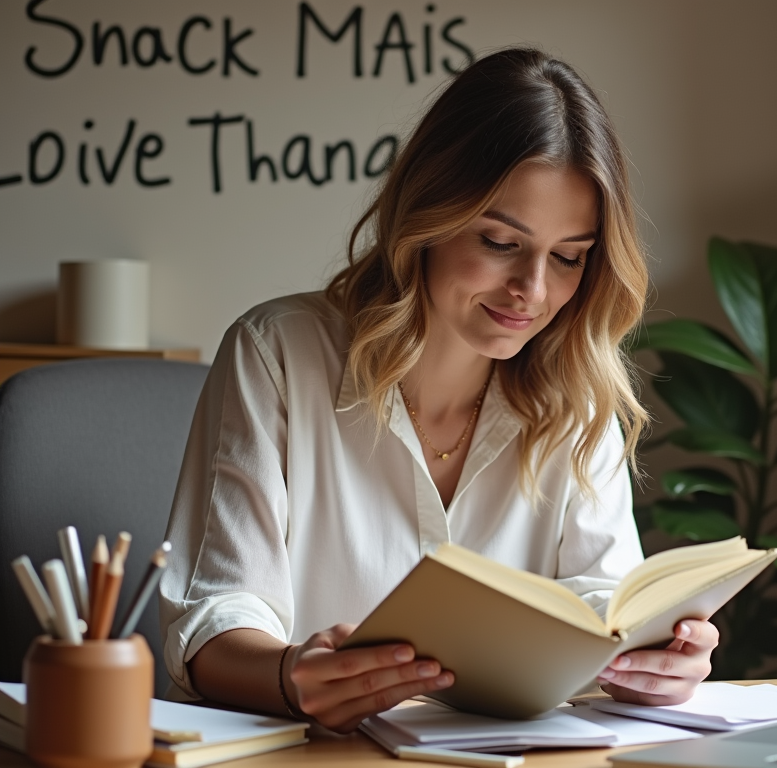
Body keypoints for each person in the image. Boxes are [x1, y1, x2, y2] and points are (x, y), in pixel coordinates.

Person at [159, 47, 718, 734]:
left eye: (570, 257)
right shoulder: (278, 353)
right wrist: (292, 676)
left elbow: (604, 602)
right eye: (499, 241)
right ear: (428, 215)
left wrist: (656, 663)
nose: (534, 292)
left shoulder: (577, 393)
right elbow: (216, 620)